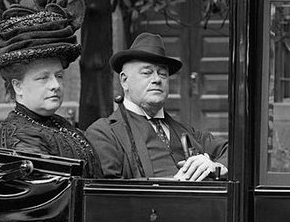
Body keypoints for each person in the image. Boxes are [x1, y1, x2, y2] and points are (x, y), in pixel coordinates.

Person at [0, 0, 100, 176]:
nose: (55, 85)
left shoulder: (60, 125)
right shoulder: (21, 135)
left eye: (59, 76)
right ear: (18, 86)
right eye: (43, 78)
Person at [86, 32, 228, 180]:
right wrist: (172, 185)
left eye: (162, 74)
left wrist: (216, 167)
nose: (156, 80)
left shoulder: (187, 132)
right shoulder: (104, 134)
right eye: (147, 73)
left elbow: (236, 151)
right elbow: (107, 193)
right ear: (124, 80)